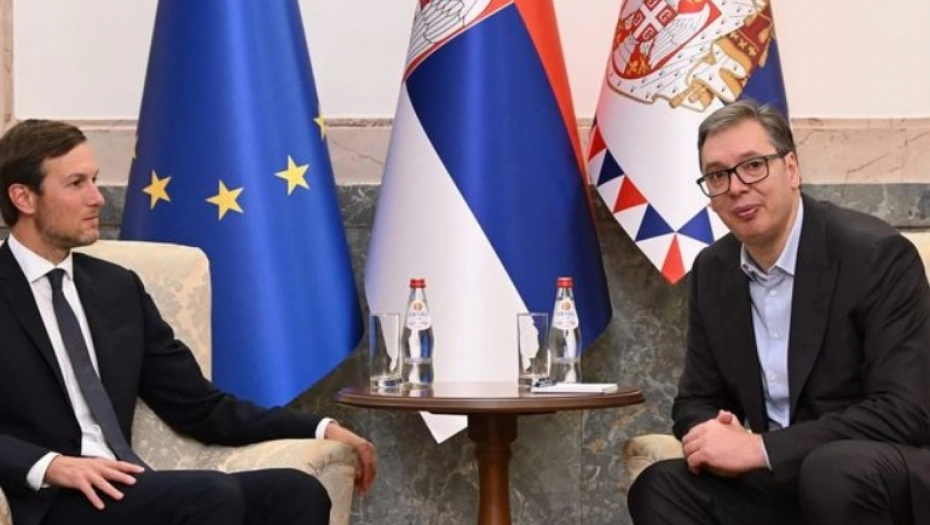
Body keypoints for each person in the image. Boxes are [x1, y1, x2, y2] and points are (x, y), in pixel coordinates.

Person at [0, 119, 376, 525]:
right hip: (47, 500)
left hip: (127, 487)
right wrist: (49, 464)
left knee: (295, 491)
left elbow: (200, 407)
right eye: (76, 184)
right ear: (24, 197)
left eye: (95, 180)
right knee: (210, 496)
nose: (97, 198)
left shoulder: (116, 288)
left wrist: (319, 427)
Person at [627, 100, 930, 525]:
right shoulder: (714, 270)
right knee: (660, 487)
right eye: (717, 175)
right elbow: (697, 399)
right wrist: (717, 435)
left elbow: (905, 411)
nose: (736, 187)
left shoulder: (875, 256)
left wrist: (762, 449)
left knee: (832, 470)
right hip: (777, 479)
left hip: (870, 473)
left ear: (791, 169)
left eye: (753, 166)